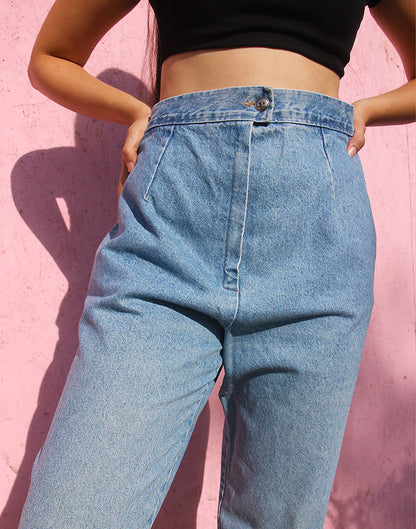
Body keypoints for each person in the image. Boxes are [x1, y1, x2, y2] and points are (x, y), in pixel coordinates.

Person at [19, 0, 415, 528]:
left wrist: (364, 111)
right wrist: (139, 112)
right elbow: (50, 57)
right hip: (168, 235)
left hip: (316, 239)